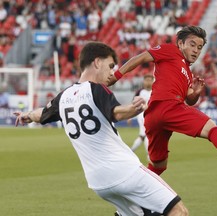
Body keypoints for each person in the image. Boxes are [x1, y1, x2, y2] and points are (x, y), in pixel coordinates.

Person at [14, 42, 188, 216]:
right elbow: (116, 113)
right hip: (124, 171)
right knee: (178, 211)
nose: (112, 72)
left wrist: (27, 115)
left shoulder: (64, 96)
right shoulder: (96, 89)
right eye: (110, 66)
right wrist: (133, 108)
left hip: (98, 182)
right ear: (97, 62)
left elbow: (42, 114)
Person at [108, 25, 217, 176]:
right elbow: (141, 58)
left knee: (158, 166)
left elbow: (189, 101)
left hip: (154, 116)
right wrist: (116, 75)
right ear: (180, 44)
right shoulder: (169, 51)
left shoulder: (187, 73)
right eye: (192, 44)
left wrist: (194, 93)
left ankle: (131, 204)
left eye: (200, 47)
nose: (196, 50)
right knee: (212, 128)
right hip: (168, 107)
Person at [129, 73, 154, 158]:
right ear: (143, 81)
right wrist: (130, 116)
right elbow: (133, 104)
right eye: (147, 80)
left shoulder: (155, 91)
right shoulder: (140, 92)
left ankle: (130, 151)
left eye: (150, 80)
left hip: (152, 115)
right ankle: (149, 155)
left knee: (143, 136)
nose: (148, 82)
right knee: (147, 134)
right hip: (142, 115)